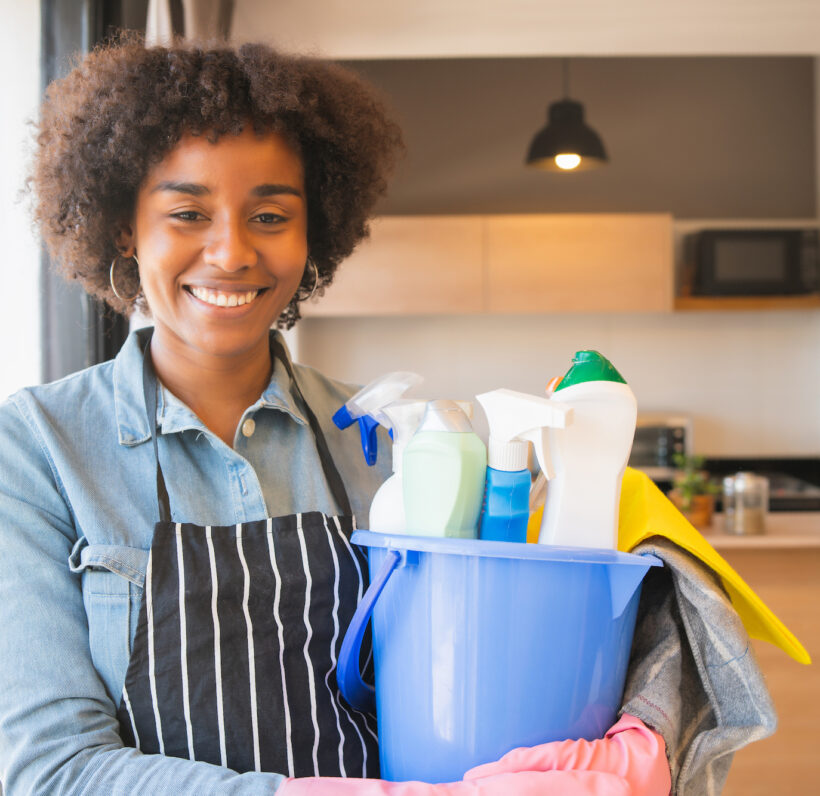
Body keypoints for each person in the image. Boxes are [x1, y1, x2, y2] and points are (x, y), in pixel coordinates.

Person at [0, 38, 670, 794]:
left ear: (313, 228)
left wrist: (649, 724)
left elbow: (559, 619)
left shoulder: (400, 439)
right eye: (188, 211)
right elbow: (49, 770)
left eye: (270, 214)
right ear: (125, 226)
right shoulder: (37, 447)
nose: (230, 251)